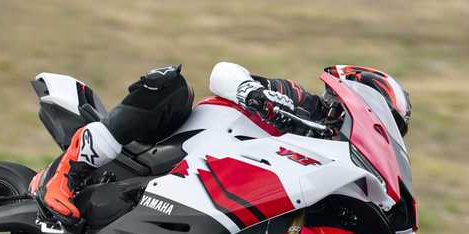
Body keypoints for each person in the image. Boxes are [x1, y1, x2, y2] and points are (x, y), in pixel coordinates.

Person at [38, 61, 410, 225]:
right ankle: (69, 173)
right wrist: (254, 94)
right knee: (171, 83)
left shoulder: (331, 159)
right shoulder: (301, 100)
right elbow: (223, 72)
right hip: (178, 143)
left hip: (225, 189)